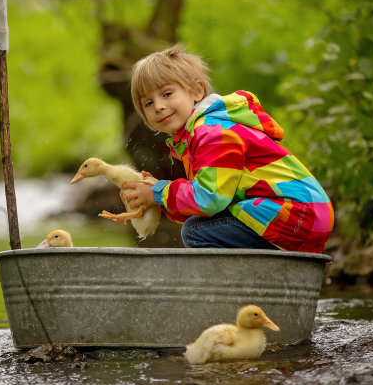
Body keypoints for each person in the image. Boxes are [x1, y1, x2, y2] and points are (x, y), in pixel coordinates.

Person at [122, 44, 334, 253]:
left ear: (196, 91)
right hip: (301, 214)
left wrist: (159, 192)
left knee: (196, 231)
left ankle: (245, 286)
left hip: (298, 214)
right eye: (148, 103)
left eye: (167, 94)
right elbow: (212, 201)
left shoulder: (211, 133)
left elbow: (209, 199)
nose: (158, 106)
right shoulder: (200, 133)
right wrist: (161, 200)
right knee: (200, 223)